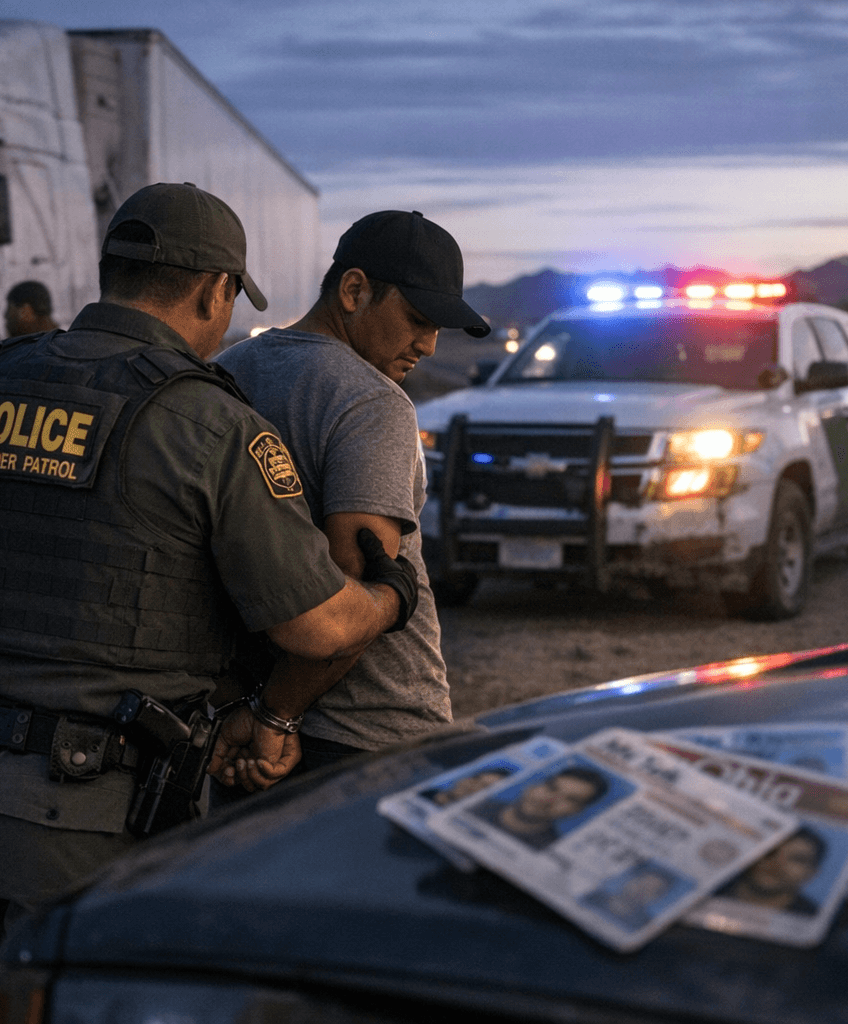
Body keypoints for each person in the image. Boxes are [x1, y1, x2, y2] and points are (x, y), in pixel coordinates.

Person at [0, 182, 418, 1024]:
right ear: (217, 290)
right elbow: (317, 624)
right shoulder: (202, 420)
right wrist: (390, 595)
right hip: (80, 804)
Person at [212, 210, 489, 785]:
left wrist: (257, 709)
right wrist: (277, 714)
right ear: (354, 290)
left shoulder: (224, 375)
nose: (431, 346)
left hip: (244, 717)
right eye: (417, 319)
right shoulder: (373, 403)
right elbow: (357, 587)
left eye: (441, 328)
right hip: (368, 731)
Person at [474, 765, 608, 850]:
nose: (549, 800)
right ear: (533, 786)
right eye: (551, 788)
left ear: (576, 811)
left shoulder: (548, 850)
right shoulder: (474, 805)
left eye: (570, 799)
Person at [720, 827, 826, 915]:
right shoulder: (711, 891)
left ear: (812, 873)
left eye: (798, 859)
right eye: (769, 851)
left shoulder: (816, 921)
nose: (776, 865)